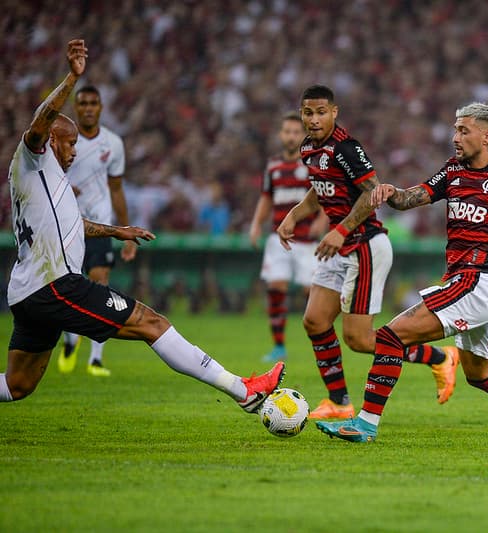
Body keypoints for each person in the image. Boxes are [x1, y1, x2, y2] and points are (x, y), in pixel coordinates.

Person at [2, 39, 285, 419]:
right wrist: (72, 78)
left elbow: (69, 225)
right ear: (51, 140)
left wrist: (116, 231)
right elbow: (40, 121)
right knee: (152, 323)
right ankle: (243, 390)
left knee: (17, 385)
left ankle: (242, 391)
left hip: (29, 290)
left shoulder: (50, 181)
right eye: (70, 145)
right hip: (54, 285)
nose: (73, 153)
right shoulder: (32, 159)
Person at [315, 102, 488, 443]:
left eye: (463, 131)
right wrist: (390, 193)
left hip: (478, 281)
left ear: (487, 136)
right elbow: (411, 198)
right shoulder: (453, 171)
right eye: (454, 130)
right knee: (479, 375)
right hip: (469, 284)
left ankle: (365, 425)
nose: (455, 137)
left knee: (390, 337)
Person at [276, 85, 459, 420]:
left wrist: (341, 229)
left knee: (359, 340)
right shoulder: (307, 149)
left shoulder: (346, 147)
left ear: (334, 112)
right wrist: (294, 214)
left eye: (320, 112)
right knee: (315, 321)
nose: (313, 120)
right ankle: (339, 403)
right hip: (339, 246)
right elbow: (320, 191)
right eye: (307, 112)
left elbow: (372, 192)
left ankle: (439, 358)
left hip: (364, 245)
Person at [56, 85, 136, 377]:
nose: (89, 108)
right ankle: (70, 341)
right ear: (76, 108)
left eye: (93, 103)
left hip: (101, 225)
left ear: (101, 108)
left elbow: (116, 189)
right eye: (83, 103)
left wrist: (125, 231)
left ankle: (96, 359)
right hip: (67, 224)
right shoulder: (63, 139)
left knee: (100, 286)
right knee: (68, 286)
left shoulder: (113, 143)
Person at [249, 112, 328, 363]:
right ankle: (279, 346)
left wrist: (322, 220)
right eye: (287, 131)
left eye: (296, 132)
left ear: (302, 135)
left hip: (306, 240)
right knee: (275, 288)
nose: (291, 136)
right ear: (281, 135)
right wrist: (255, 225)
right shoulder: (273, 165)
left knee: (311, 293)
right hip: (278, 239)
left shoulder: (312, 163)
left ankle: (324, 341)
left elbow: (326, 194)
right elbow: (266, 198)